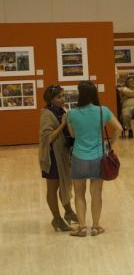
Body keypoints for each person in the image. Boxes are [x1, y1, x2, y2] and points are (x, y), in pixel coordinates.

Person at [65, 81, 123, 237]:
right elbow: (119, 128)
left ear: (80, 94)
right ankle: (96, 226)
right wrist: (109, 145)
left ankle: (82, 227)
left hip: (78, 157)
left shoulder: (71, 113)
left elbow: (73, 135)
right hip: (98, 156)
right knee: (96, 193)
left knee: (79, 194)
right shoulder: (102, 111)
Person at [38, 84, 78, 231]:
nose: (63, 99)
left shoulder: (62, 110)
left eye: (63, 96)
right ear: (51, 99)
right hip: (51, 156)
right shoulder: (47, 114)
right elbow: (48, 138)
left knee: (65, 184)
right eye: (59, 97)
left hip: (63, 154)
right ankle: (57, 219)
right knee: (52, 188)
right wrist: (62, 125)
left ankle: (68, 212)